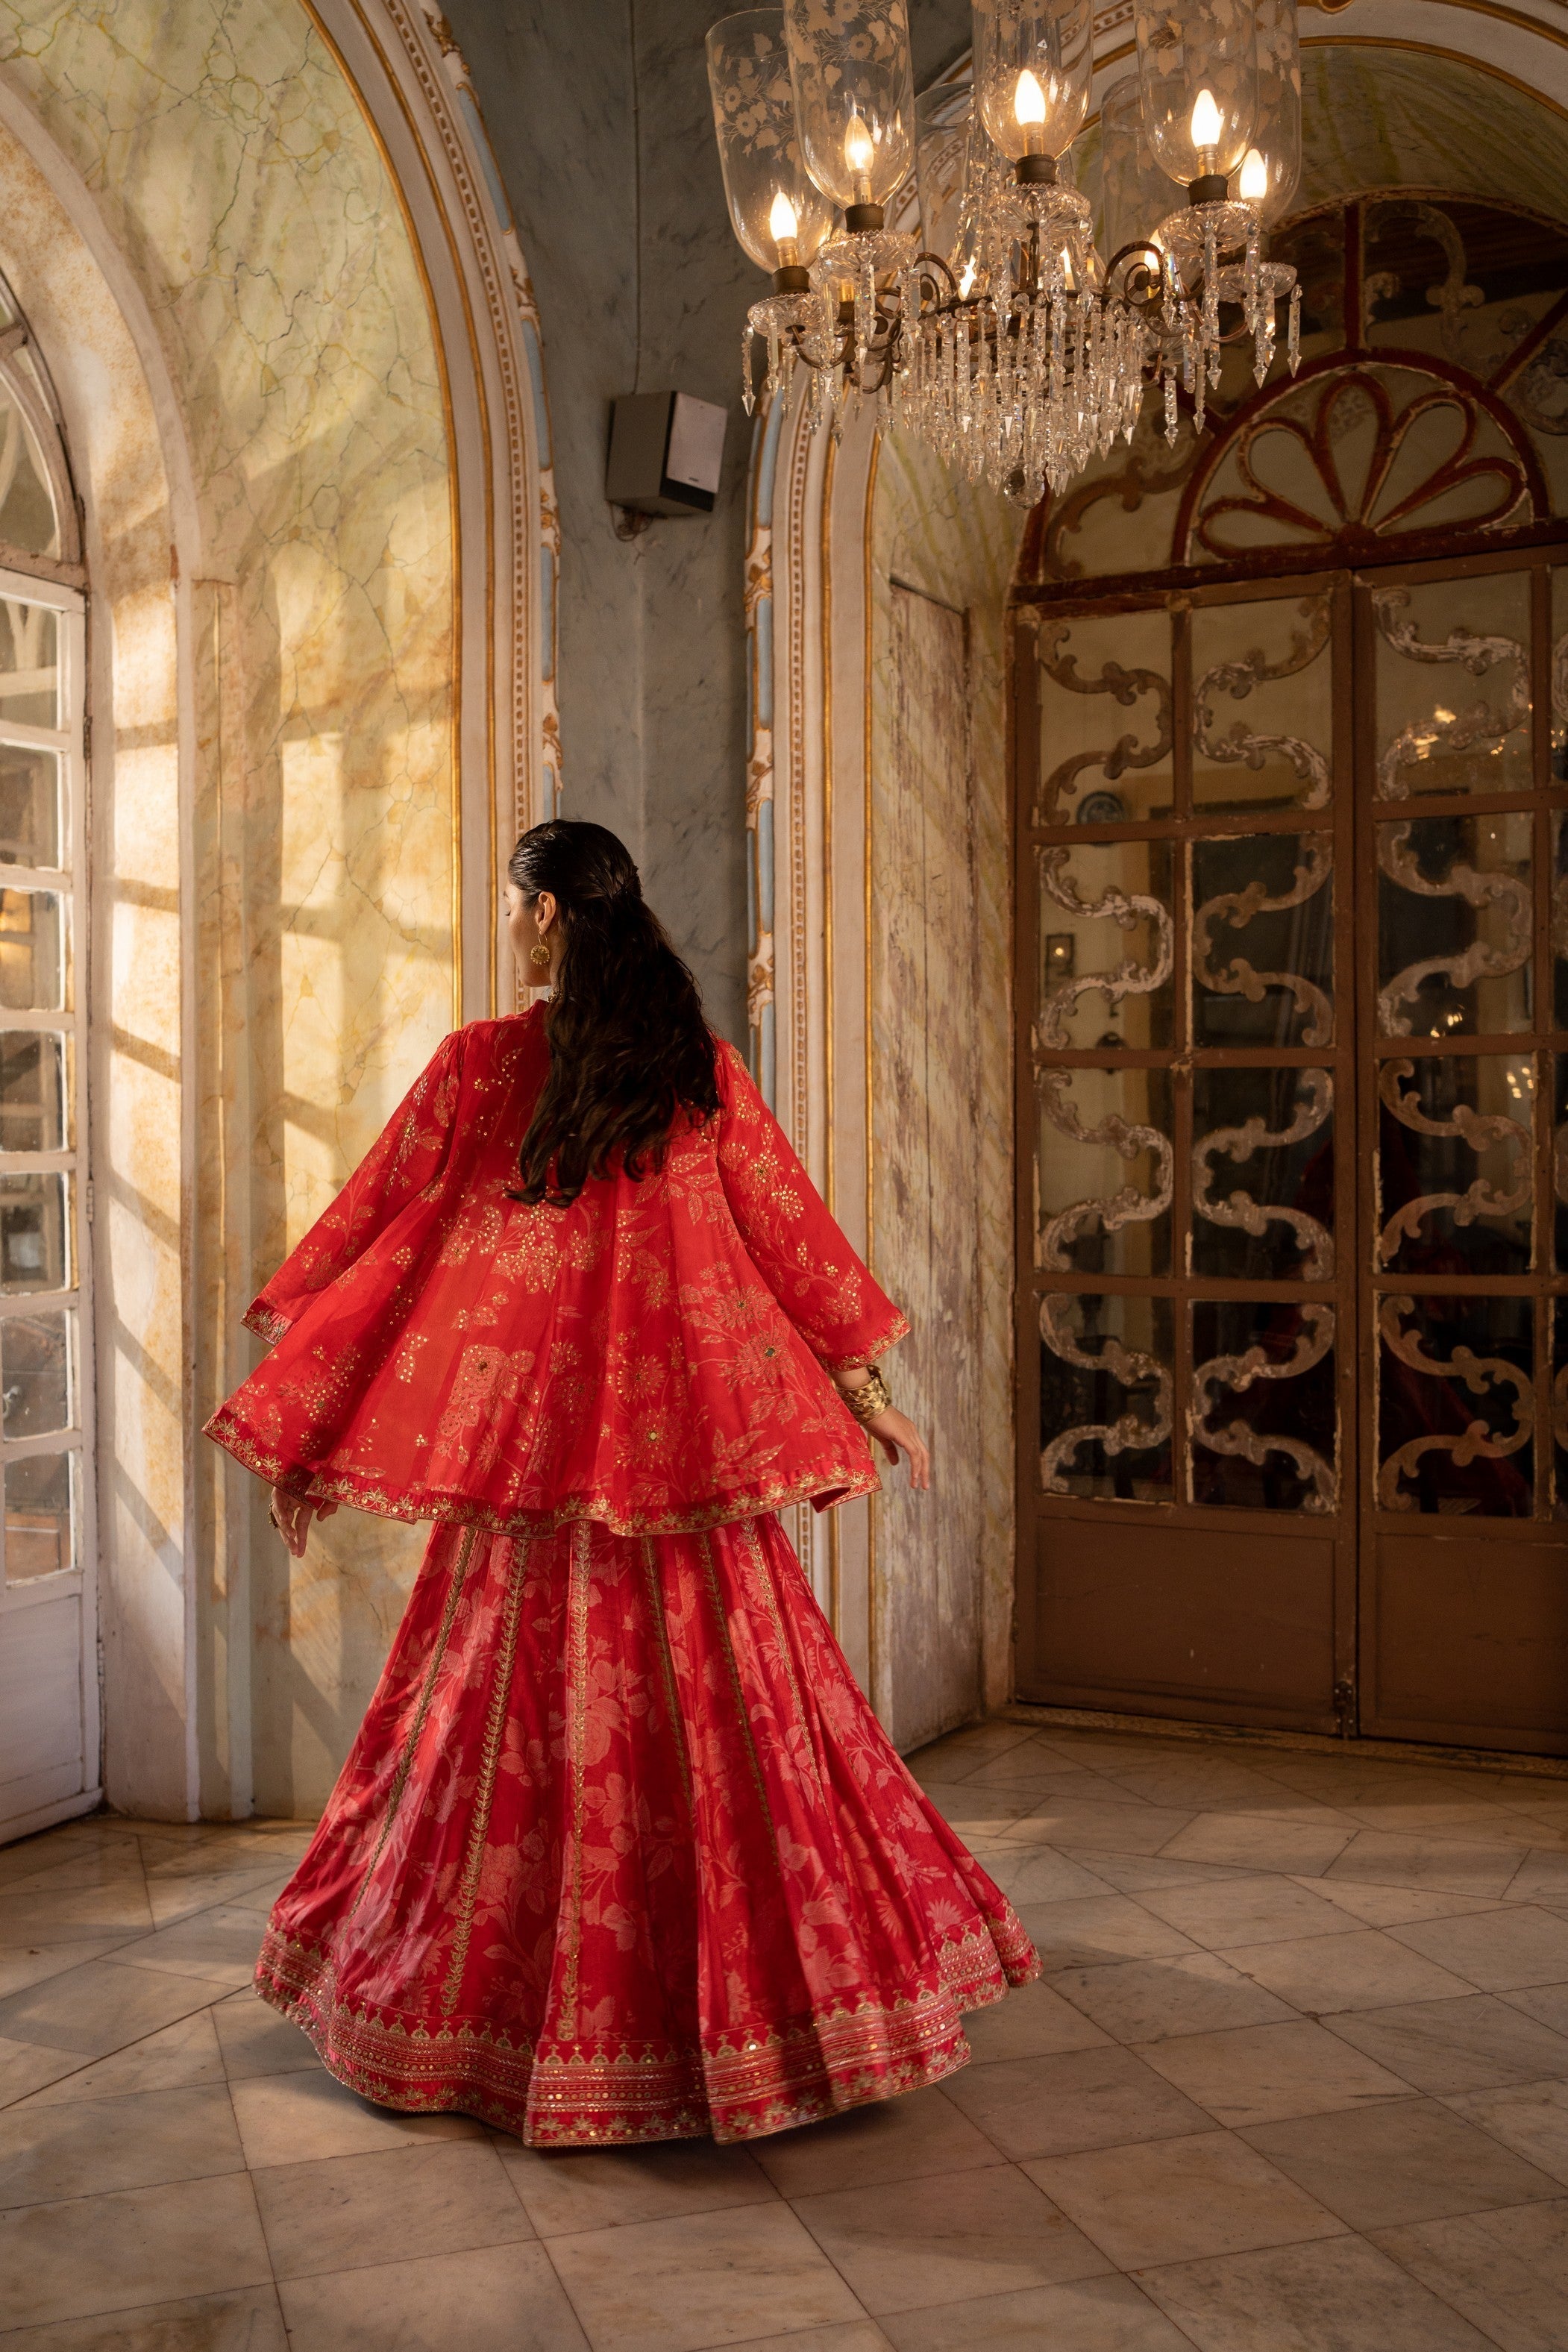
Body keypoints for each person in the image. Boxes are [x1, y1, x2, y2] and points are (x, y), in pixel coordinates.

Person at [206, 818, 1037, 2147]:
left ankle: (484, 2033)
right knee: (746, 1743)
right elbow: (793, 1244)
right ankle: (784, 2025)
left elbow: (381, 1236)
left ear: (542, 918)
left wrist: (304, 1415)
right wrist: (872, 1400)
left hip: (532, 1488)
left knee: (499, 1746)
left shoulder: (484, 1068)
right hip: (687, 1485)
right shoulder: (694, 1069)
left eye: (514, 905)